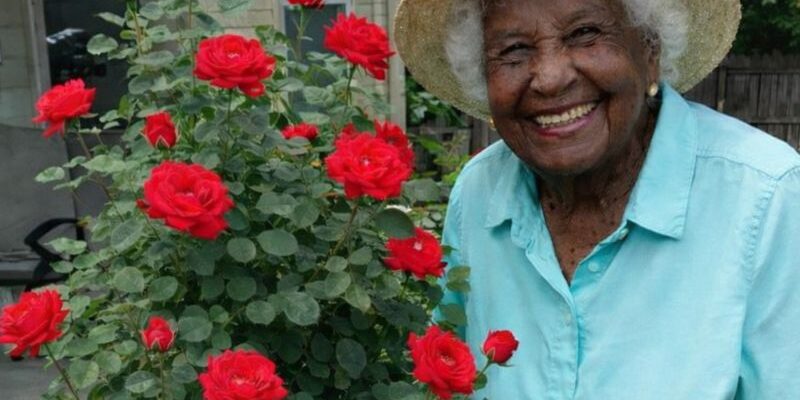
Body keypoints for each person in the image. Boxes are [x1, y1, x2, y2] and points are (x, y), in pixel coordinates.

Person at [394, 0, 800, 398]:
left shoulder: (766, 198)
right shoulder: (479, 191)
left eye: (584, 33)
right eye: (514, 50)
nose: (550, 78)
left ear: (650, 49)